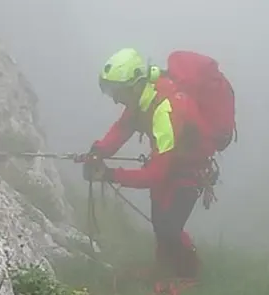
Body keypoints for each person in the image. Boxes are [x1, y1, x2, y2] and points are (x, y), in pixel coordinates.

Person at [80, 48, 216, 282]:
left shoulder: (165, 111)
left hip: (189, 171)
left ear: (135, 85)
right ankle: (165, 270)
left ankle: (188, 275)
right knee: (160, 223)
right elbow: (122, 128)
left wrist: (110, 174)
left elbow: (154, 175)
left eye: (118, 92)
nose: (115, 98)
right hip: (172, 164)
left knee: (169, 227)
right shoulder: (142, 99)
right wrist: (98, 151)